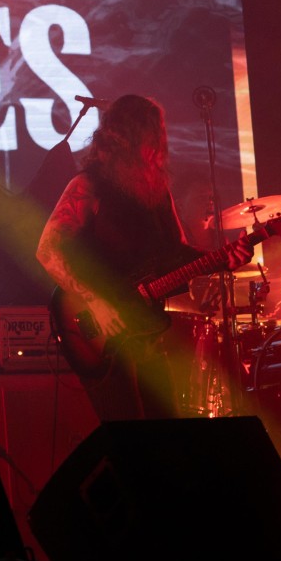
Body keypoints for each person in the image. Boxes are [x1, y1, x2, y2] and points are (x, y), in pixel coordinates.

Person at [36, 94, 251, 420]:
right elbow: (48, 250)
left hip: (147, 331)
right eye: (153, 131)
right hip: (100, 330)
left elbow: (178, 253)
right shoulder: (89, 184)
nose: (160, 140)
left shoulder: (157, 191)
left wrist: (224, 259)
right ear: (128, 136)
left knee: (165, 428)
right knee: (130, 431)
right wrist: (96, 301)